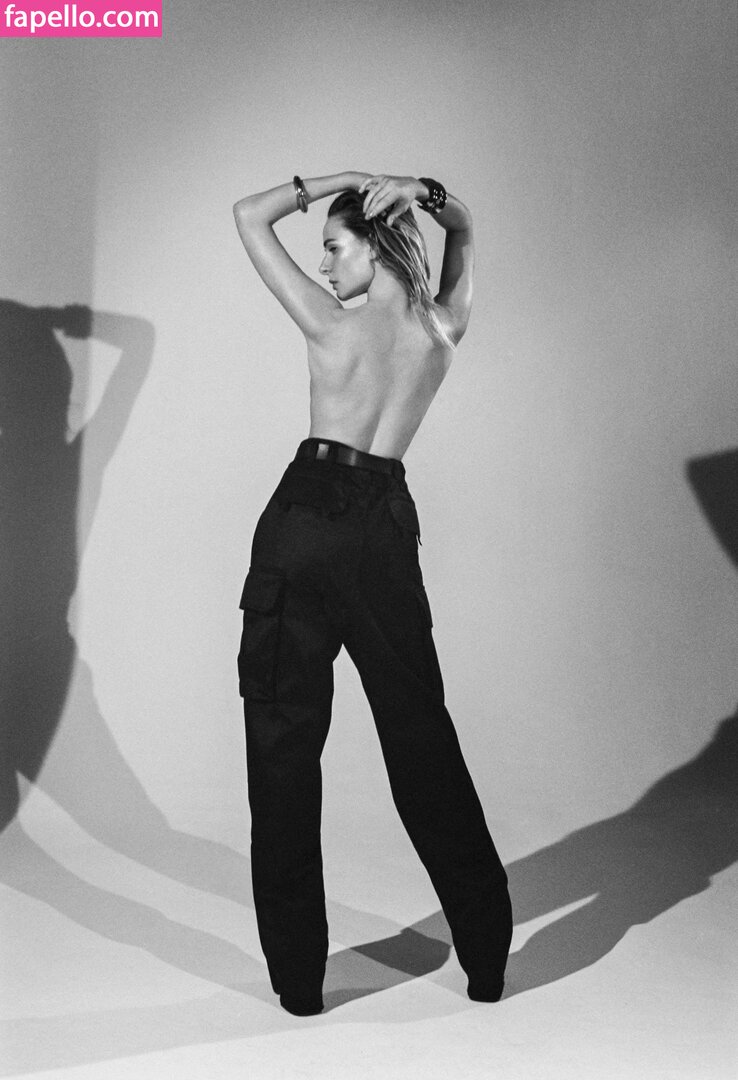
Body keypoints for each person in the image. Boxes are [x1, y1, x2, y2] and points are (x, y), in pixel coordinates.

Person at [232, 172, 512, 1016]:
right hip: (384, 530)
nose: (325, 266)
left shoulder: (331, 325)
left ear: (375, 243)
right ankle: (487, 962)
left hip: (305, 522)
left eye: (333, 246)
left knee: (282, 752)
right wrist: (424, 192)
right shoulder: (442, 330)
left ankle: (298, 985)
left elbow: (248, 216)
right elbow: (466, 229)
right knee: (423, 740)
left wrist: (336, 181)